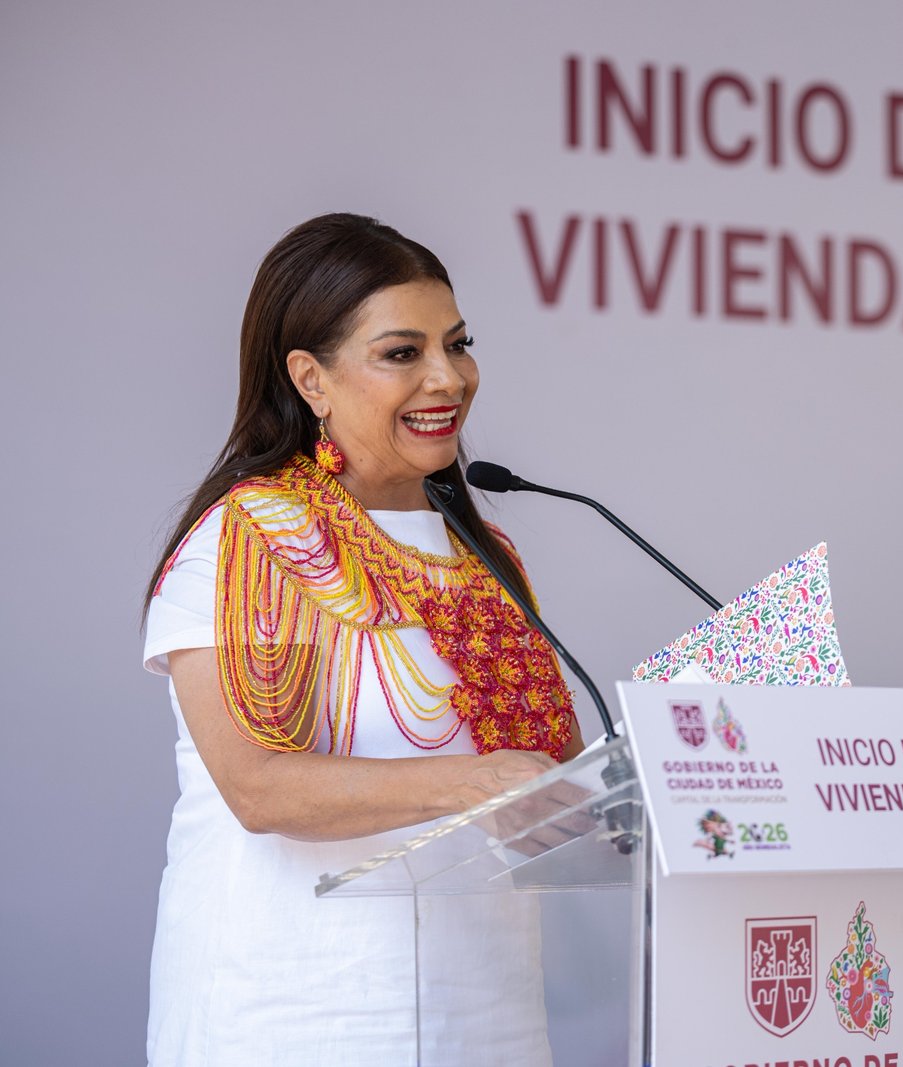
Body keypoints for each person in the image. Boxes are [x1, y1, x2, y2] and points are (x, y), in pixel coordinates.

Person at [142, 214, 581, 1065]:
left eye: (458, 344)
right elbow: (258, 789)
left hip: (489, 1016)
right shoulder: (251, 539)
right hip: (296, 1015)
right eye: (402, 353)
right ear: (310, 377)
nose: (448, 377)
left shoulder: (486, 553)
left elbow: (542, 766)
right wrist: (482, 778)